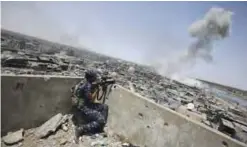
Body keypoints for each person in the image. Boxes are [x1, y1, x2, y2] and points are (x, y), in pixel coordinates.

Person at [71, 69, 109, 142]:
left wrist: (96, 85)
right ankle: (81, 129)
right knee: (101, 120)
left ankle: (100, 127)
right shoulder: (87, 86)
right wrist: (96, 88)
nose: (96, 78)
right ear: (91, 78)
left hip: (82, 105)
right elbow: (90, 98)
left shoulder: (83, 82)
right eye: (94, 77)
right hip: (84, 108)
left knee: (105, 107)